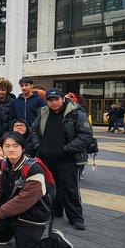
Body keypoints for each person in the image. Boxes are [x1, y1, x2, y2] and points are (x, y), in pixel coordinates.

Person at [0, 131, 74, 248]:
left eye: (15, 146)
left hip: (32, 213)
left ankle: (56, 241)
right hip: (11, 211)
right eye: (7, 146)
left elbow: (24, 200)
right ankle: (6, 234)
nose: (11, 149)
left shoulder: (34, 169)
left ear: (23, 148)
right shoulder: (2, 164)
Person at [30, 88, 94, 230]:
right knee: (50, 187)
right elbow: (33, 129)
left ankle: (76, 217)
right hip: (46, 158)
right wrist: (38, 146)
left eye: (56, 99)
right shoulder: (43, 112)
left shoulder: (76, 113)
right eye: (50, 100)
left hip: (67, 158)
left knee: (70, 189)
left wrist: (66, 149)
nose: (54, 103)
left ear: (63, 99)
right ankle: (55, 210)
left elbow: (85, 135)